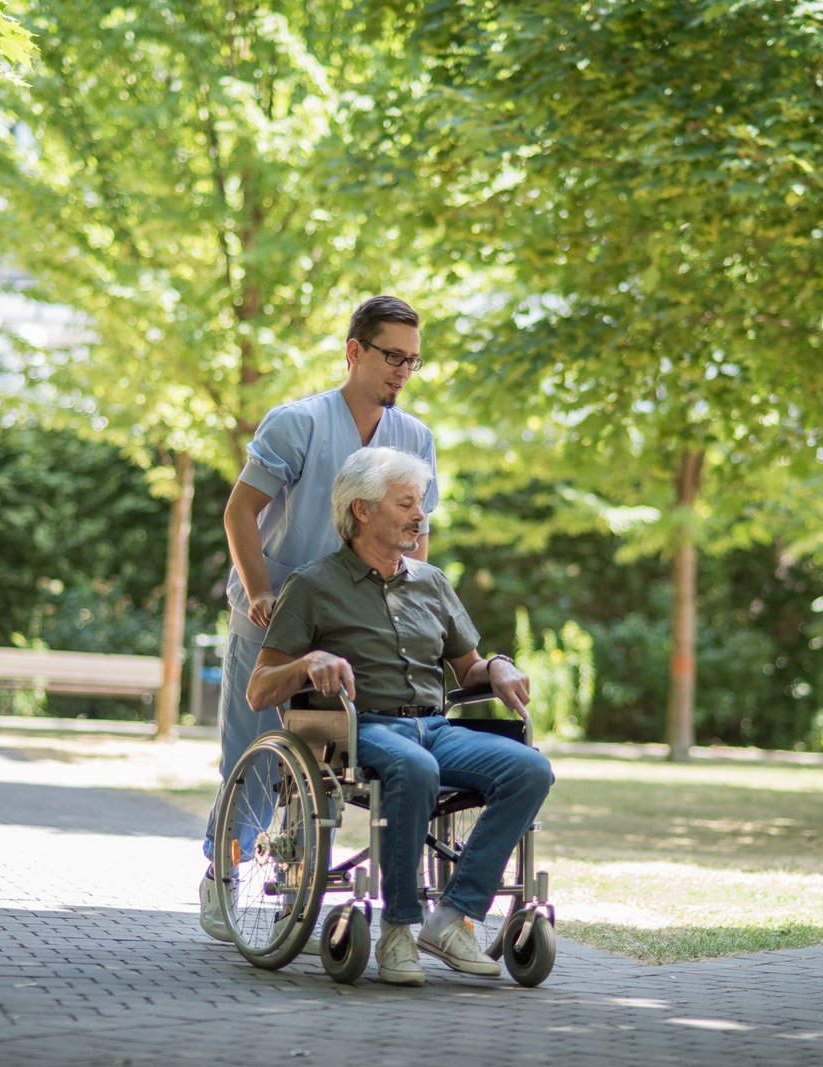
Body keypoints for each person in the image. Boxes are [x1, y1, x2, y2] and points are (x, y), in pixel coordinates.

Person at [246, 447, 554, 986]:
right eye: (406, 502)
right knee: (414, 767)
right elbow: (259, 689)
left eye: (422, 503)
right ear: (362, 510)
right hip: (361, 729)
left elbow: (468, 667)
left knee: (530, 768)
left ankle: (452, 917)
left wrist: (498, 667)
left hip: (434, 727)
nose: (420, 515)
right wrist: (308, 662)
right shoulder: (313, 585)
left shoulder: (431, 582)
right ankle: (397, 926)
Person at [198, 296, 439, 942]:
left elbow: (417, 540)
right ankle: (222, 877)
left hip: (356, 631)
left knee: (328, 765)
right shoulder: (296, 423)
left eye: (412, 361)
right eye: (392, 356)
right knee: (250, 758)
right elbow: (239, 512)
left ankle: (297, 888)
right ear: (355, 351)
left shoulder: (415, 439)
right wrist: (257, 591)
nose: (402, 372)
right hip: (274, 622)